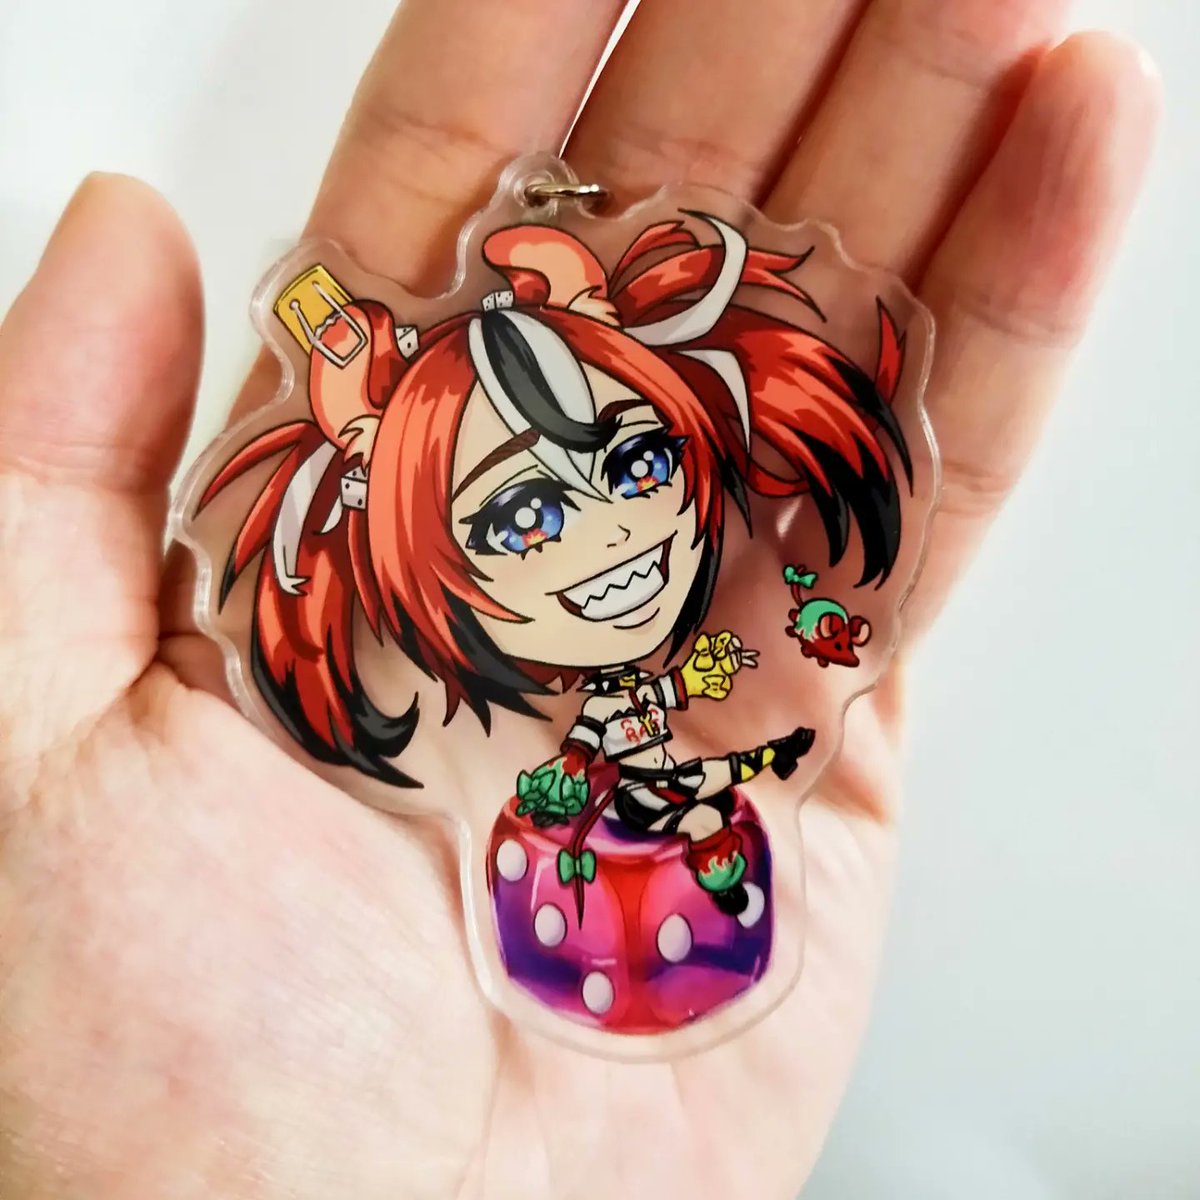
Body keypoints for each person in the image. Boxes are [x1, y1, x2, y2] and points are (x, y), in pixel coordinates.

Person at [0, 1, 1159, 1196]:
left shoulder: (695, 670)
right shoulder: (503, 773)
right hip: (572, 903)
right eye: (522, 519)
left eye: (640, 460)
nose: (612, 530)